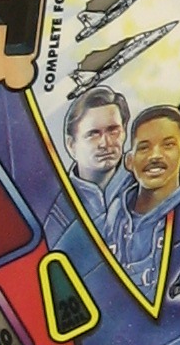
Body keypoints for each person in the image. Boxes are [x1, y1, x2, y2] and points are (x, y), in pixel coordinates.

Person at [112, 103, 180, 293]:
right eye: (144, 148)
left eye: (168, 145)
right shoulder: (113, 216)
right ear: (129, 161)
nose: (155, 156)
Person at [48, 87, 129, 240]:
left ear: (124, 132)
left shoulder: (146, 185)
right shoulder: (59, 210)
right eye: (93, 134)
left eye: (113, 131)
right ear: (71, 145)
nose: (105, 143)